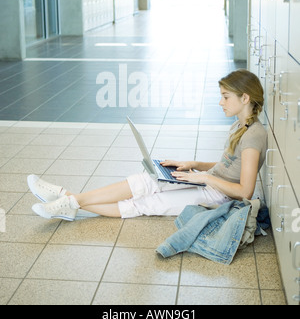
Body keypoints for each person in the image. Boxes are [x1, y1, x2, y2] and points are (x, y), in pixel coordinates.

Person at [28, 69, 268, 222]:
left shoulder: (253, 136)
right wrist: (193, 165)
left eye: (226, 97)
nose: (220, 102)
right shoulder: (239, 126)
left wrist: (204, 178)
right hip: (209, 181)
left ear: (244, 98)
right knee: (146, 180)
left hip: (219, 197)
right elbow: (230, 166)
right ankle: (68, 201)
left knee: (144, 203)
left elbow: (245, 190)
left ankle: (66, 199)